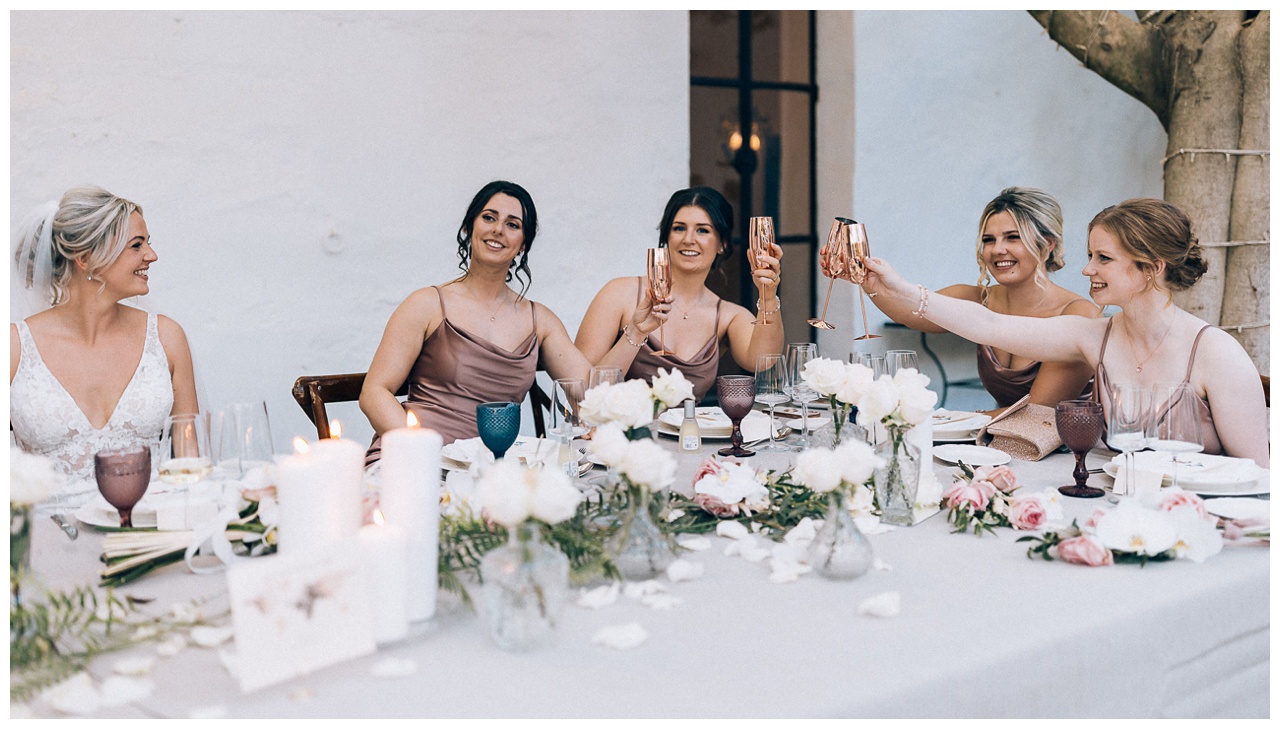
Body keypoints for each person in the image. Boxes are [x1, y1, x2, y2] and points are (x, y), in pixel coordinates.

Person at [862, 197, 1268, 466]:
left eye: (1103, 258)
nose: (1087, 269)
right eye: (1091, 255)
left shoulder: (1215, 353)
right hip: (1113, 505)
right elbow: (989, 324)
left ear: (1152, 268)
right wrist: (894, 285)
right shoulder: (1093, 336)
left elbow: (1261, 475)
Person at [360, 180, 643, 462]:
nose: (498, 229)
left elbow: (591, 399)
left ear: (523, 245)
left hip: (493, 470)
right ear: (467, 228)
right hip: (413, 457)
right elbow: (374, 393)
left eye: (513, 224)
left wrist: (638, 329)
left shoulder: (540, 321)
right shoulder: (426, 304)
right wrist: (419, 449)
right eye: (489, 217)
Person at [10, 186, 199, 491]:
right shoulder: (14, 347)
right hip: (50, 534)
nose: (151, 255)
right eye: (136, 245)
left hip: (151, 533)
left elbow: (192, 464)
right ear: (85, 258)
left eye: (147, 244)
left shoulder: (167, 338)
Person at [868, 187, 1099, 415]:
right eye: (989, 240)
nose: (997, 249)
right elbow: (911, 312)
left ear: (1047, 244)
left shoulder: (1079, 314)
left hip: (1068, 450)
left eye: (1012, 237)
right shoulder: (977, 299)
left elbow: (1036, 414)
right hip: (999, 445)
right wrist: (868, 281)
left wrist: (946, 420)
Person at [574, 186, 784, 402]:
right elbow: (579, 389)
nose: (688, 239)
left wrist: (767, 294)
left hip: (691, 435)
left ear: (722, 244)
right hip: (620, 433)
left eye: (702, 230)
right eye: (679, 228)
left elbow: (762, 359)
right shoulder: (619, 293)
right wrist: (634, 334)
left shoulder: (728, 315)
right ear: (667, 236)